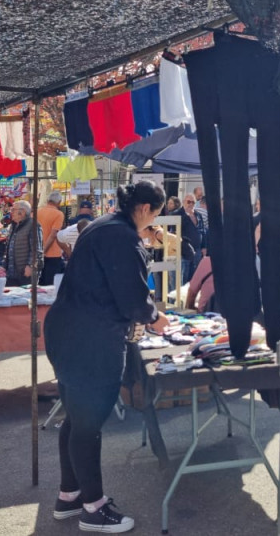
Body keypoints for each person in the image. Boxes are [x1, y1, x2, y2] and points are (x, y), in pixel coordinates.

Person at [44, 181, 170, 533]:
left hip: (67, 329)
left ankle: (69, 495)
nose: (154, 220)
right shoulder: (122, 236)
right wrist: (156, 318)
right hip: (91, 337)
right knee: (88, 423)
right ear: (145, 208)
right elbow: (131, 296)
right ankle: (94, 508)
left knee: (76, 417)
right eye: (156, 212)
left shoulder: (102, 225)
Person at [4, 200, 41, 286]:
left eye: (13, 209)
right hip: (12, 274)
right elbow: (8, 247)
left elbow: (36, 249)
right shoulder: (13, 225)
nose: (11, 212)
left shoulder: (33, 225)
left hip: (25, 273)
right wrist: (4, 265)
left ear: (23, 212)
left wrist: (30, 265)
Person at [39, 191, 68, 286]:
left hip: (37, 251)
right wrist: (44, 251)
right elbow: (53, 235)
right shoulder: (59, 214)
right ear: (59, 202)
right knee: (50, 285)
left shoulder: (37, 212)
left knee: (39, 284)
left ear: (48, 200)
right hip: (52, 254)